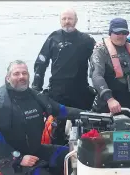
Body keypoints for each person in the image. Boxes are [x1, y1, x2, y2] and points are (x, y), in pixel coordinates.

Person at [0, 60, 84, 175]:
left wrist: (90, 114)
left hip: (37, 150)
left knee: (78, 155)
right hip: (11, 162)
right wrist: (19, 158)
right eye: (16, 73)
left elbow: (62, 110)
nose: (21, 77)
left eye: (24, 73)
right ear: (8, 78)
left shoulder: (36, 97)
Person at [31, 8, 96, 145]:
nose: (67, 22)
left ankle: (83, 151)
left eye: (70, 19)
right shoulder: (53, 38)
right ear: (60, 21)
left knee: (82, 124)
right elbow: (41, 63)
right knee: (57, 128)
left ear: (76, 21)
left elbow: (97, 64)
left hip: (80, 90)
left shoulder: (87, 40)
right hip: (57, 91)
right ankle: (59, 153)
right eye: (64, 19)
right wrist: (36, 89)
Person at [89, 17, 130, 119]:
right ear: (110, 33)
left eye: (124, 33)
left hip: (129, 102)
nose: (121, 36)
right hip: (107, 102)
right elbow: (96, 76)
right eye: (117, 33)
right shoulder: (100, 51)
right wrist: (109, 99)